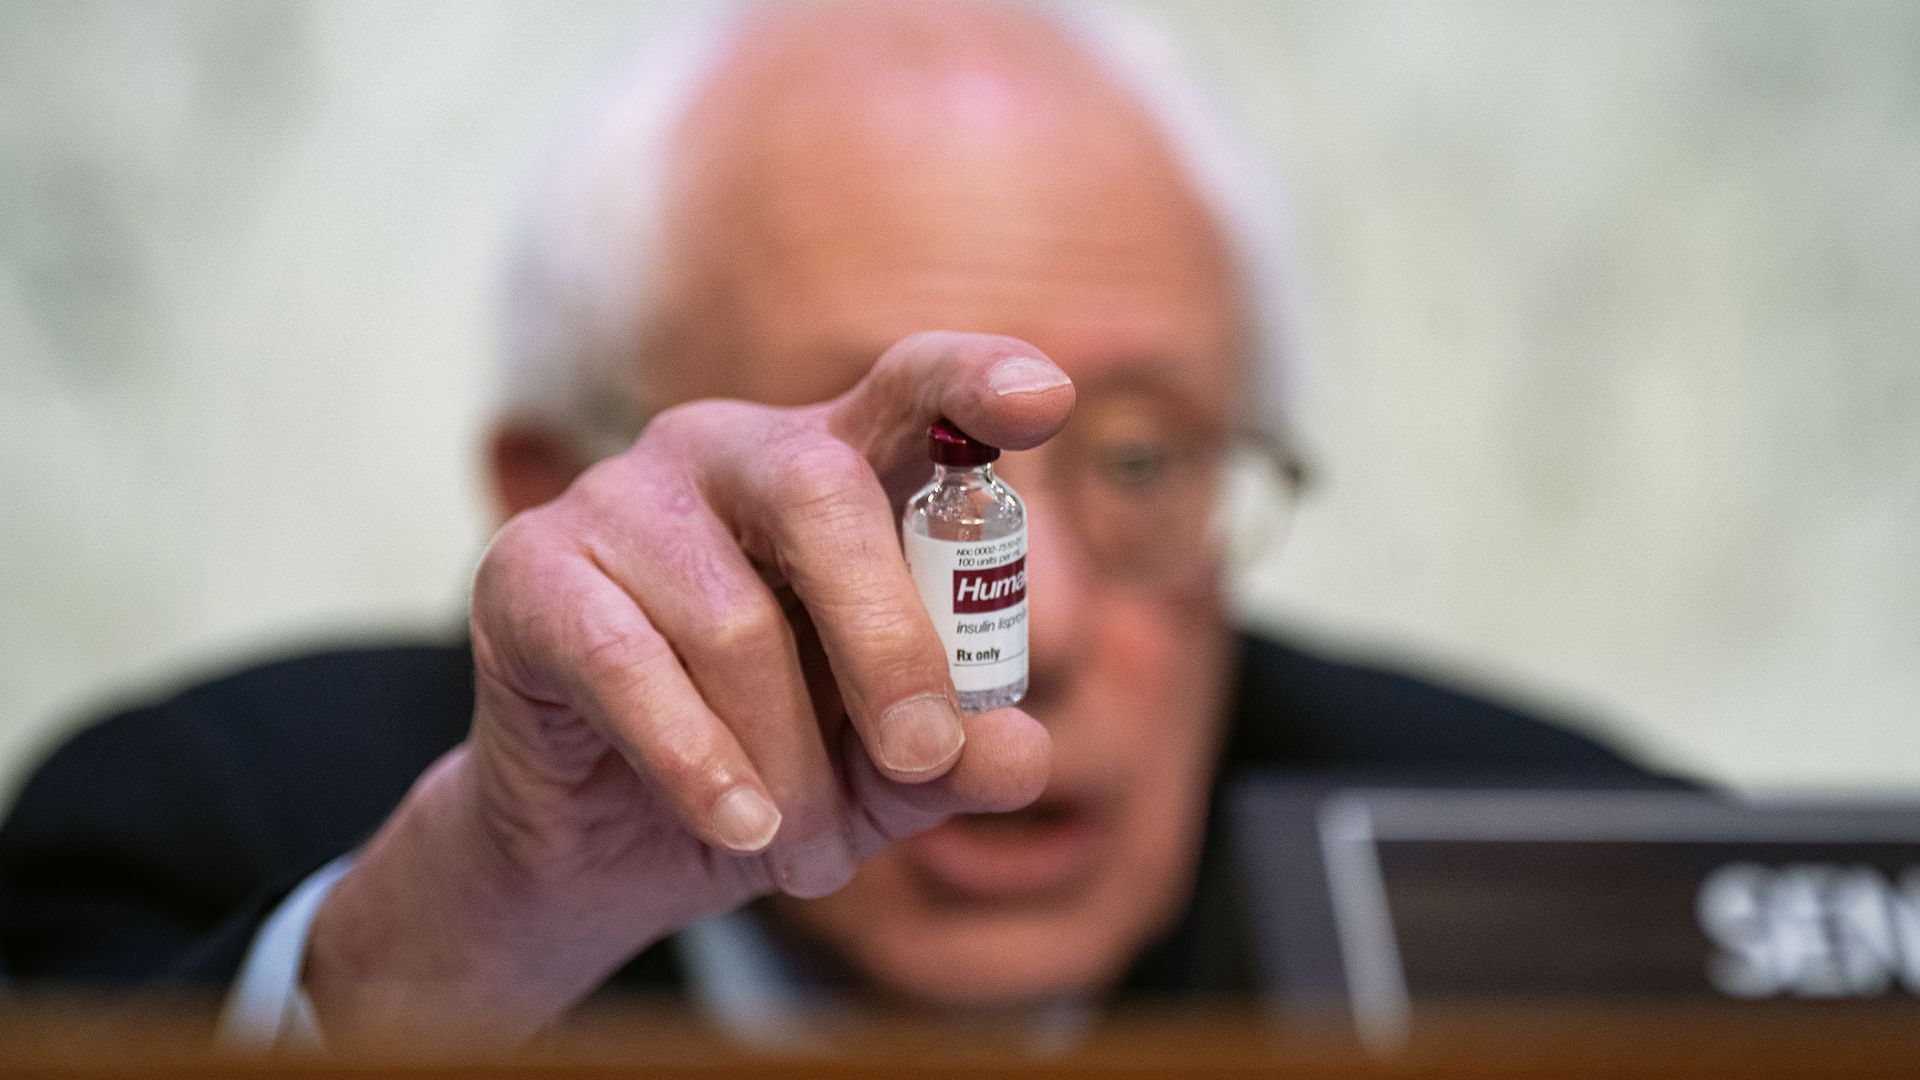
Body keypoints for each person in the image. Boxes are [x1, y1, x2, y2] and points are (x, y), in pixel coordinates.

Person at [0, 0, 1665, 1051]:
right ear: (548, 492)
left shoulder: (1571, 878)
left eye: (1148, 463)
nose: (1046, 631)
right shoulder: (203, 830)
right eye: (893, 483)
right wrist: (443, 952)